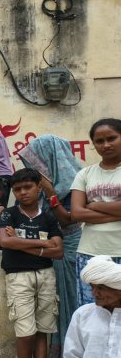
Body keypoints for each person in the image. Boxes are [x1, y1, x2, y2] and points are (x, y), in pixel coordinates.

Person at [19, 135, 84, 358]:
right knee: (56, 310)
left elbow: (67, 219)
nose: (31, 170)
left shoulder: (74, 182)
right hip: (48, 251)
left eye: (34, 164)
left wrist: (50, 191)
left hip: (70, 249)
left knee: (74, 304)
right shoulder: (34, 188)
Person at [0, 168, 64, 358]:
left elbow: (59, 251)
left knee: (42, 331)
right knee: (25, 331)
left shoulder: (48, 217)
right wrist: (43, 243)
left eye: (27, 187)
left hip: (45, 276)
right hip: (18, 276)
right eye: (17, 189)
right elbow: (6, 242)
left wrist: (22, 244)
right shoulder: (8, 215)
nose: (22, 193)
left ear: (38, 188)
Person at [71, 118, 121, 305]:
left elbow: (84, 210)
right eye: (99, 141)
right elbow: (76, 213)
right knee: (94, 311)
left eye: (112, 138)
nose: (106, 145)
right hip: (90, 253)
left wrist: (95, 205)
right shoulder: (84, 174)